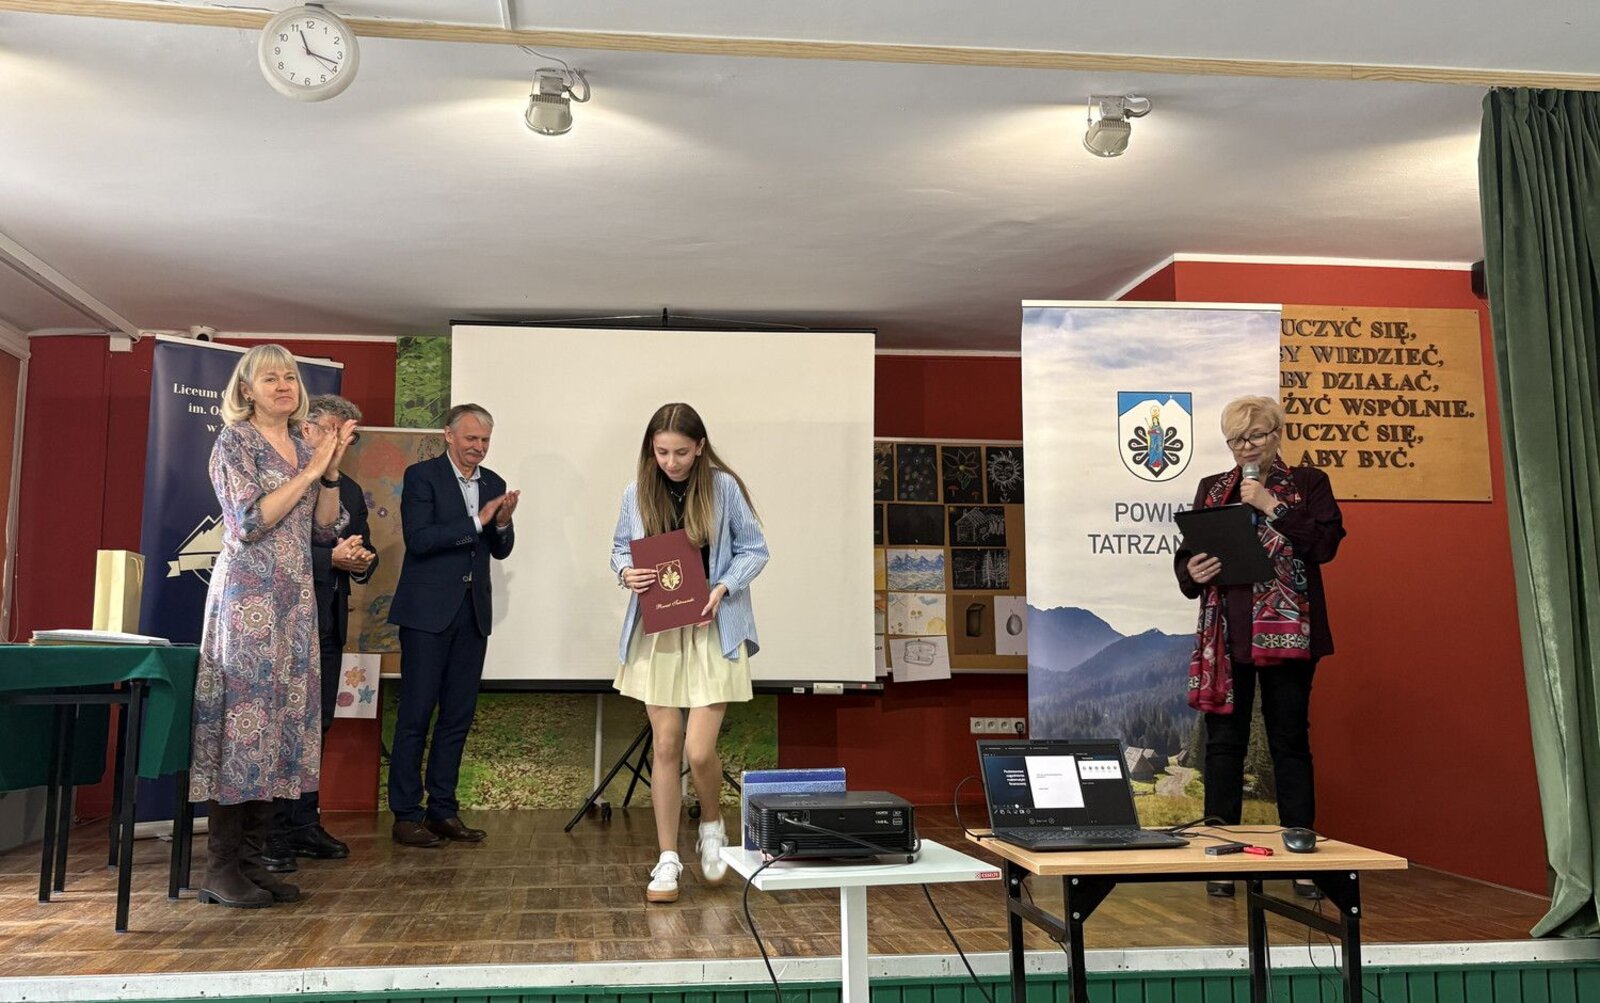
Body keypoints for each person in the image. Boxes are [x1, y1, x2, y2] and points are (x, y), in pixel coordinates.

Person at [190, 344, 355, 909]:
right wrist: (309, 470)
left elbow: (325, 530)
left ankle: (254, 861)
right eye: (270, 378)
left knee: (280, 724)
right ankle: (220, 868)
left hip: (294, 602)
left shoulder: (306, 444)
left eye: (290, 376)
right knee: (244, 727)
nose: (284, 385)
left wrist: (329, 473)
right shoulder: (234, 442)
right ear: (247, 390)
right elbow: (247, 522)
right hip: (248, 603)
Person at [1174, 395, 1345, 900]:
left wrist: (1273, 507)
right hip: (1227, 634)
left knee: (1288, 740)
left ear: (1277, 435)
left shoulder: (1309, 483)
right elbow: (1189, 556)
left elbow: (1324, 546)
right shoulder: (1213, 488)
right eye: (1236, 440)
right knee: (1222, 746)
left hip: (1291, 636)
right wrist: (1192, 570)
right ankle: (1220, 855)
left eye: (1255, 436)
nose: (1246, 448)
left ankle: (1301, 858)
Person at [610, 403, 768, 904]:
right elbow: (619, 549)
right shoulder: (636, 492)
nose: (671, 462)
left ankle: (712, 825)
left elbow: (755, 549)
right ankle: (667, 858)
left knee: (698, 750)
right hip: (657, 632)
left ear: (700, 447)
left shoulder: (724, 488)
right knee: (665, 744)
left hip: (713, 629)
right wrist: (626, 572)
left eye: (680, 452)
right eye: (662, 452)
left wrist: (724, 586)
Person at [387, 403, 518, 847]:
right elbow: (420, 540)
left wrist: (502, 525)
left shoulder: (494, 483)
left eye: (485, 440)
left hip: (472, 612)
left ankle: (443, 809)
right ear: (448, 435)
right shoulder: (422, 477)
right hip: (426, 614)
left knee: (457, 717)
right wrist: (477, 522)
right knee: (416, 714)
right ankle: (407, 815)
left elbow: (500, 549)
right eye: (471, 439)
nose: (478, 447)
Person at [264, 394, 377, 872]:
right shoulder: (281, 479)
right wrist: (329, 558)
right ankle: (269, 832)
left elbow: (364, 547)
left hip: (328, 622)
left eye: (348, 436)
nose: (340, 443)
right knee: (280, 725)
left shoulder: (348, 488)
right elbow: (269, 548)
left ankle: (303, 822)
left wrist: (361, 560)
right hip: (282, 622)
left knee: (317, 725)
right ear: (306, 429)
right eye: (333, 431)